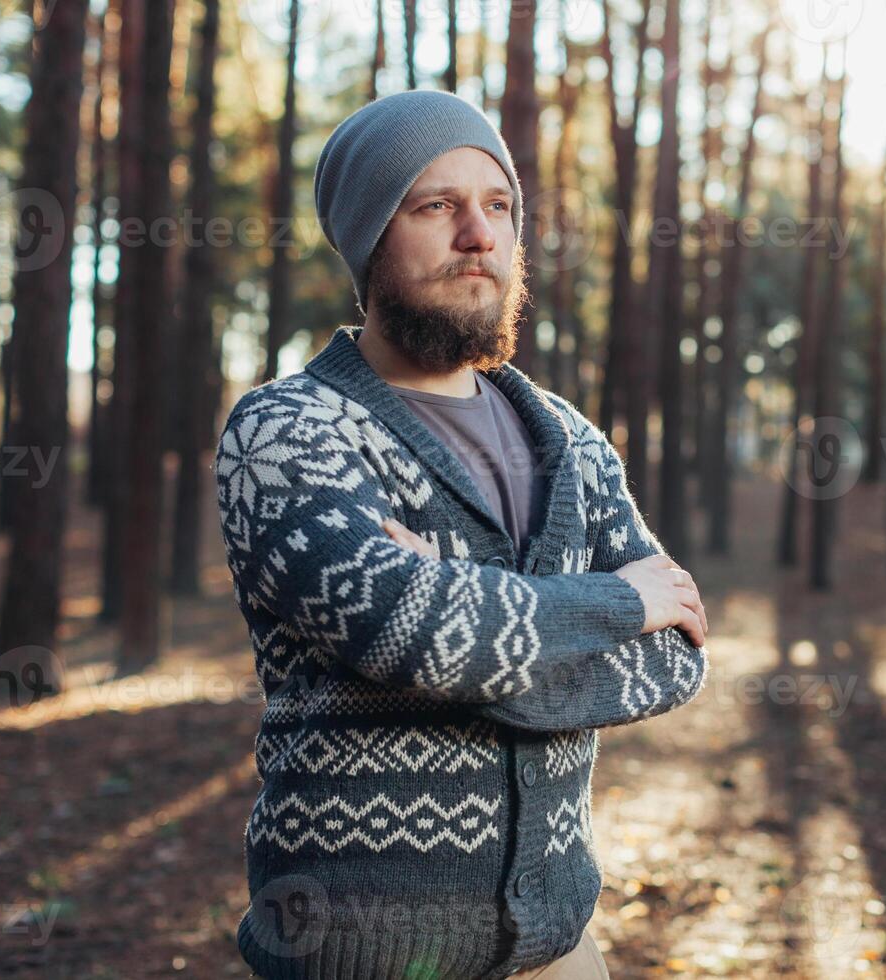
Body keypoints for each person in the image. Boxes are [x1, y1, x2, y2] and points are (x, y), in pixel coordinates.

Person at [214, 89, 711, 980]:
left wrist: (476, 637)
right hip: (358, 954)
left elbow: (677, 657)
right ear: (370, 238)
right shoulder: (287, 432)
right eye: (436, 205)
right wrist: (619, 602)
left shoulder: (569, 441)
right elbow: (421, 631)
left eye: (499, 207)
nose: (479, 235)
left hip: (559, 946)